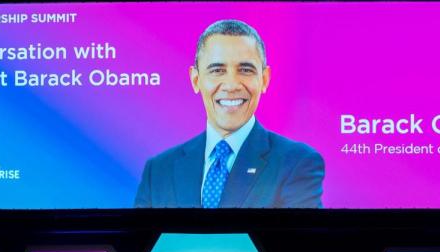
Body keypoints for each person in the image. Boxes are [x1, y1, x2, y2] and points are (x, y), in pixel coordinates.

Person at [135, 19, 324, 208]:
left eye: (245, 70)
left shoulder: (297, 163)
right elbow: (142, 236)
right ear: (195, 80)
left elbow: (299, 236)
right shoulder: (159, 171)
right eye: (217, 70)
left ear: (264, 79)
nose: (232, 85)